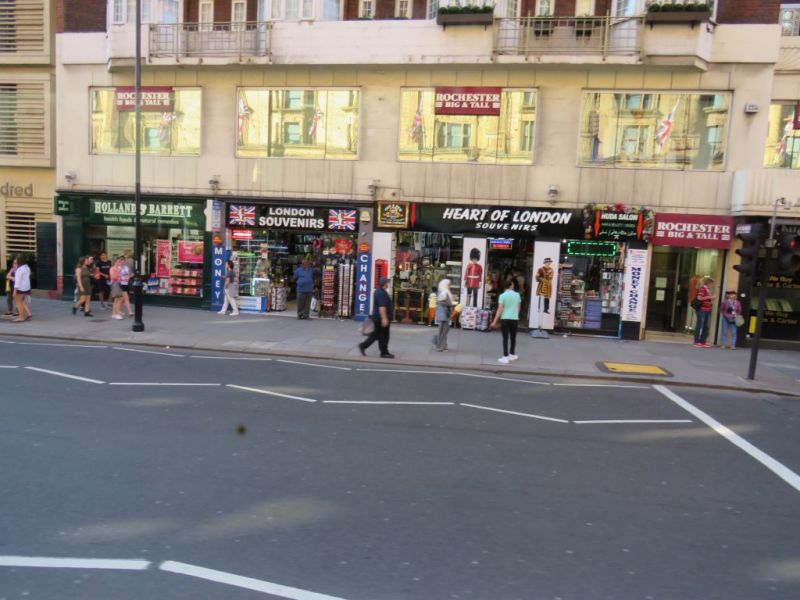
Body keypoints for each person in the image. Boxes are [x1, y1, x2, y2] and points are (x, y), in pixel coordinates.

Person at [359, 277, 394, 358]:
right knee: (384, 336)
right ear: (384, 284)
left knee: (376, 335)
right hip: (380, 319)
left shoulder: (378, 291)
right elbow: (382, 307)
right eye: (387, 282)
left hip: (378, 318)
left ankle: (364, 346)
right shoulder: (381, 293)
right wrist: (384, 318)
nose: (388, 284)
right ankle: (384, 353)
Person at [491, 279, 521, 364]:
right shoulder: (517, 295)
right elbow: (518, 308)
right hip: (514, 319)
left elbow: (500, 310)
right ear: (511, 285)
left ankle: (505, 356)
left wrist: (494, 321)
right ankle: (512, 354)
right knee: (513, 338)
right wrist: (515, 315)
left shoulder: (502, 296)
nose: (513, 286)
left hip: (505, 319)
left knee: (505, 338)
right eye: (513, 284)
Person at [693, 275, 715, 348]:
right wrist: (710, 297)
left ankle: (703, 342)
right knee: (700, 325)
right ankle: (696, 342)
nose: (713, 285)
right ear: (709, 283)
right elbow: (699, 298)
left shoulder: (708, 290)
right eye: (712, 284)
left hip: (707, 309)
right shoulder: (703, 289)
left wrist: (711, 299)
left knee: (705, 326)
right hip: (701, 310)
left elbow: (707, 299)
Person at [433, 278, 454, 352]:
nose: (449, 286)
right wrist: (452, 305)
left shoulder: (441, 292)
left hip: (443, 314)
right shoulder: (444, 292)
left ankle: (443, 346)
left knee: (443, 331)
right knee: (443, 331)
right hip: (444, 314)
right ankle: (440, 346)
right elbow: (445, 303)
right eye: (448, 284)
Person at [12, 255, 32, 322]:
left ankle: (21, 317)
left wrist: (14, 291)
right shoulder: (27, 267)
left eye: (16, 259)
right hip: (27, 287)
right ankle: (24, 315)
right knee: (22, 301)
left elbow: (17, 281)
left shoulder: (19, 269)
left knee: (18, 302)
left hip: (20, 288)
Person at [109, 256, 125, 320]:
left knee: (116, 299)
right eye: (118, 261)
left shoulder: (118, 268)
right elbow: (113, 277)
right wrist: (119, 272)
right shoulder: (112, 268)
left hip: (119, 283)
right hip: (115, 284)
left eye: (120, 261)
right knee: (119, 298)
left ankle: (114, 314)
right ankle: (117, 314)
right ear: (115, 262)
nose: (120, 262)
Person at [119, 253, 134, 317]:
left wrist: (129, 276)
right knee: (126, 298)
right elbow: (115, 277)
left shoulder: (126, 268)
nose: (122, 262)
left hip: (125, 284)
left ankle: (118, 309)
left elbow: (131, 274)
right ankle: (130, 311)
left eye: (123, 260)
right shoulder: (117, 268)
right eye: (121, 260)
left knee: (122, 298)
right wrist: (122, 278)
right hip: (119, 284)